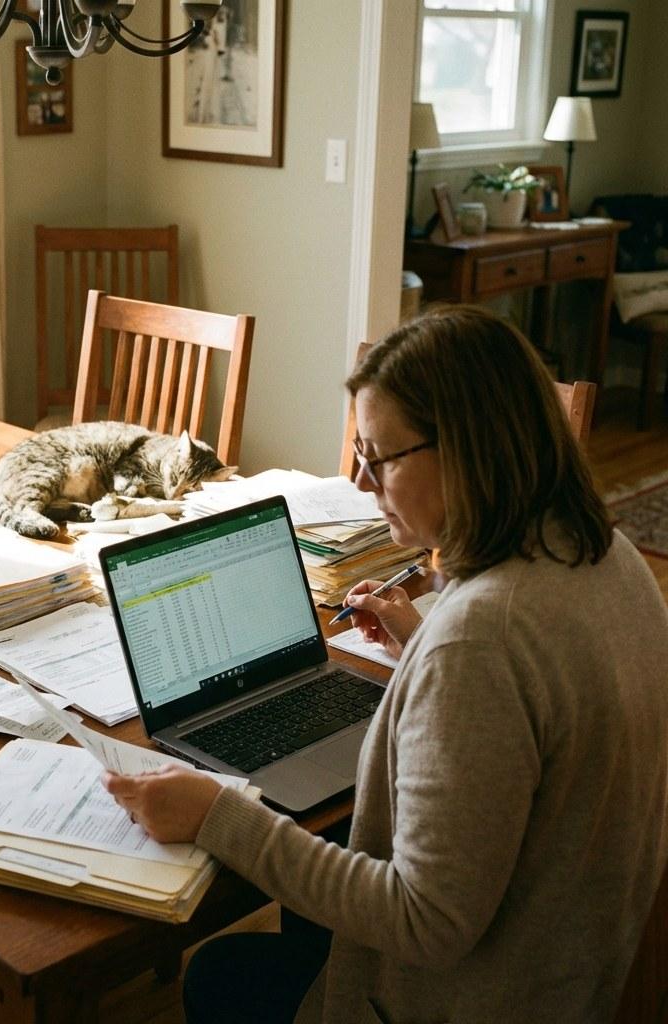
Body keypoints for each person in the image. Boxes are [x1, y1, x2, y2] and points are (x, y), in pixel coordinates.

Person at [104, 305, 668, 1024]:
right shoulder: (604, 554)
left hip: (481, 996)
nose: (364, 483)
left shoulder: (481, 641)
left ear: (466, 449)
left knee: (219, 972)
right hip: (572, 958)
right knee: (321, 883)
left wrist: (219, 815)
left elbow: (425, 921)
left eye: (380, 457)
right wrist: (420, 644)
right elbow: (536, 702)